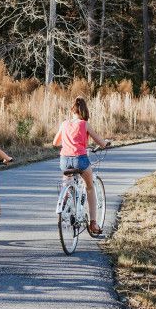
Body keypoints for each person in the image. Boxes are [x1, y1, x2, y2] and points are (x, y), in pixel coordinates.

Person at [52, 96, 110, 235]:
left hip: (64, 161)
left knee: (67, 182)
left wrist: (68, 141)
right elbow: (100, 142)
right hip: (80, 160)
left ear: (72, 110)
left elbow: (55, 142)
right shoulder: (84, 124)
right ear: (84, 111)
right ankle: (93, 223)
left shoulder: (64, 123)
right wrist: (106, 143)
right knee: (89, 187)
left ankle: (65, 201)